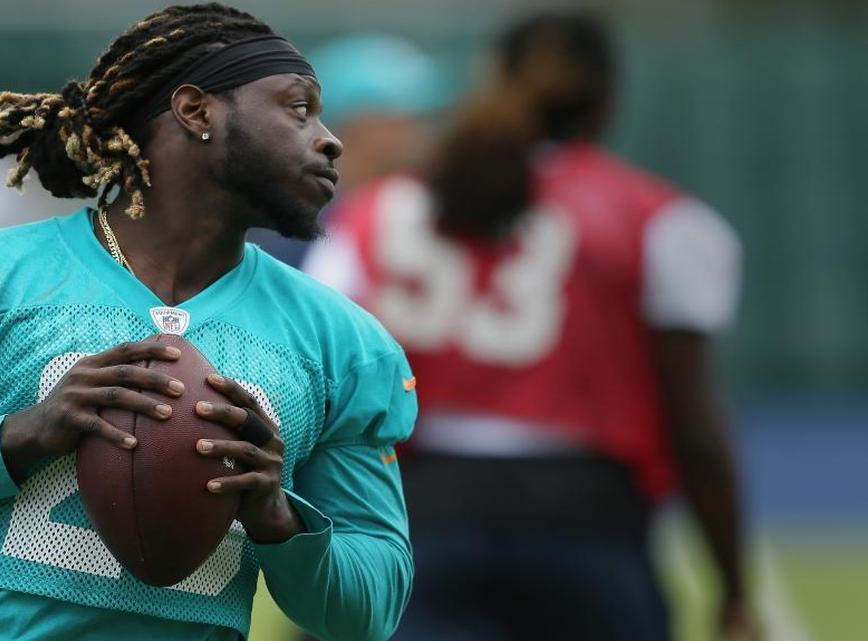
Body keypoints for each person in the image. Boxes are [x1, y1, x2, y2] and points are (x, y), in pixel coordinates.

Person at [0, 4, 416, 641]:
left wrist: (280, 517)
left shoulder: (344, 344)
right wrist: (18, 436)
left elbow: (370, 610)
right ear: (195, 111)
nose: (329, 139)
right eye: (298, 109)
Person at [304, 11, 760, 641]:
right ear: (606, 102)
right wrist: (735, 589)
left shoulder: (375, 214)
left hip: (418, 515)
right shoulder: (662, 221)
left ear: (490, 85)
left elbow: (324, 393)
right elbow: (695, 429)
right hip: (587, 523)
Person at [248, 33, 444, 266]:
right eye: (404, 119)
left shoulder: (415, 207)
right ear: (357, 125)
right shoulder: (292, 229)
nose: (422, 130)